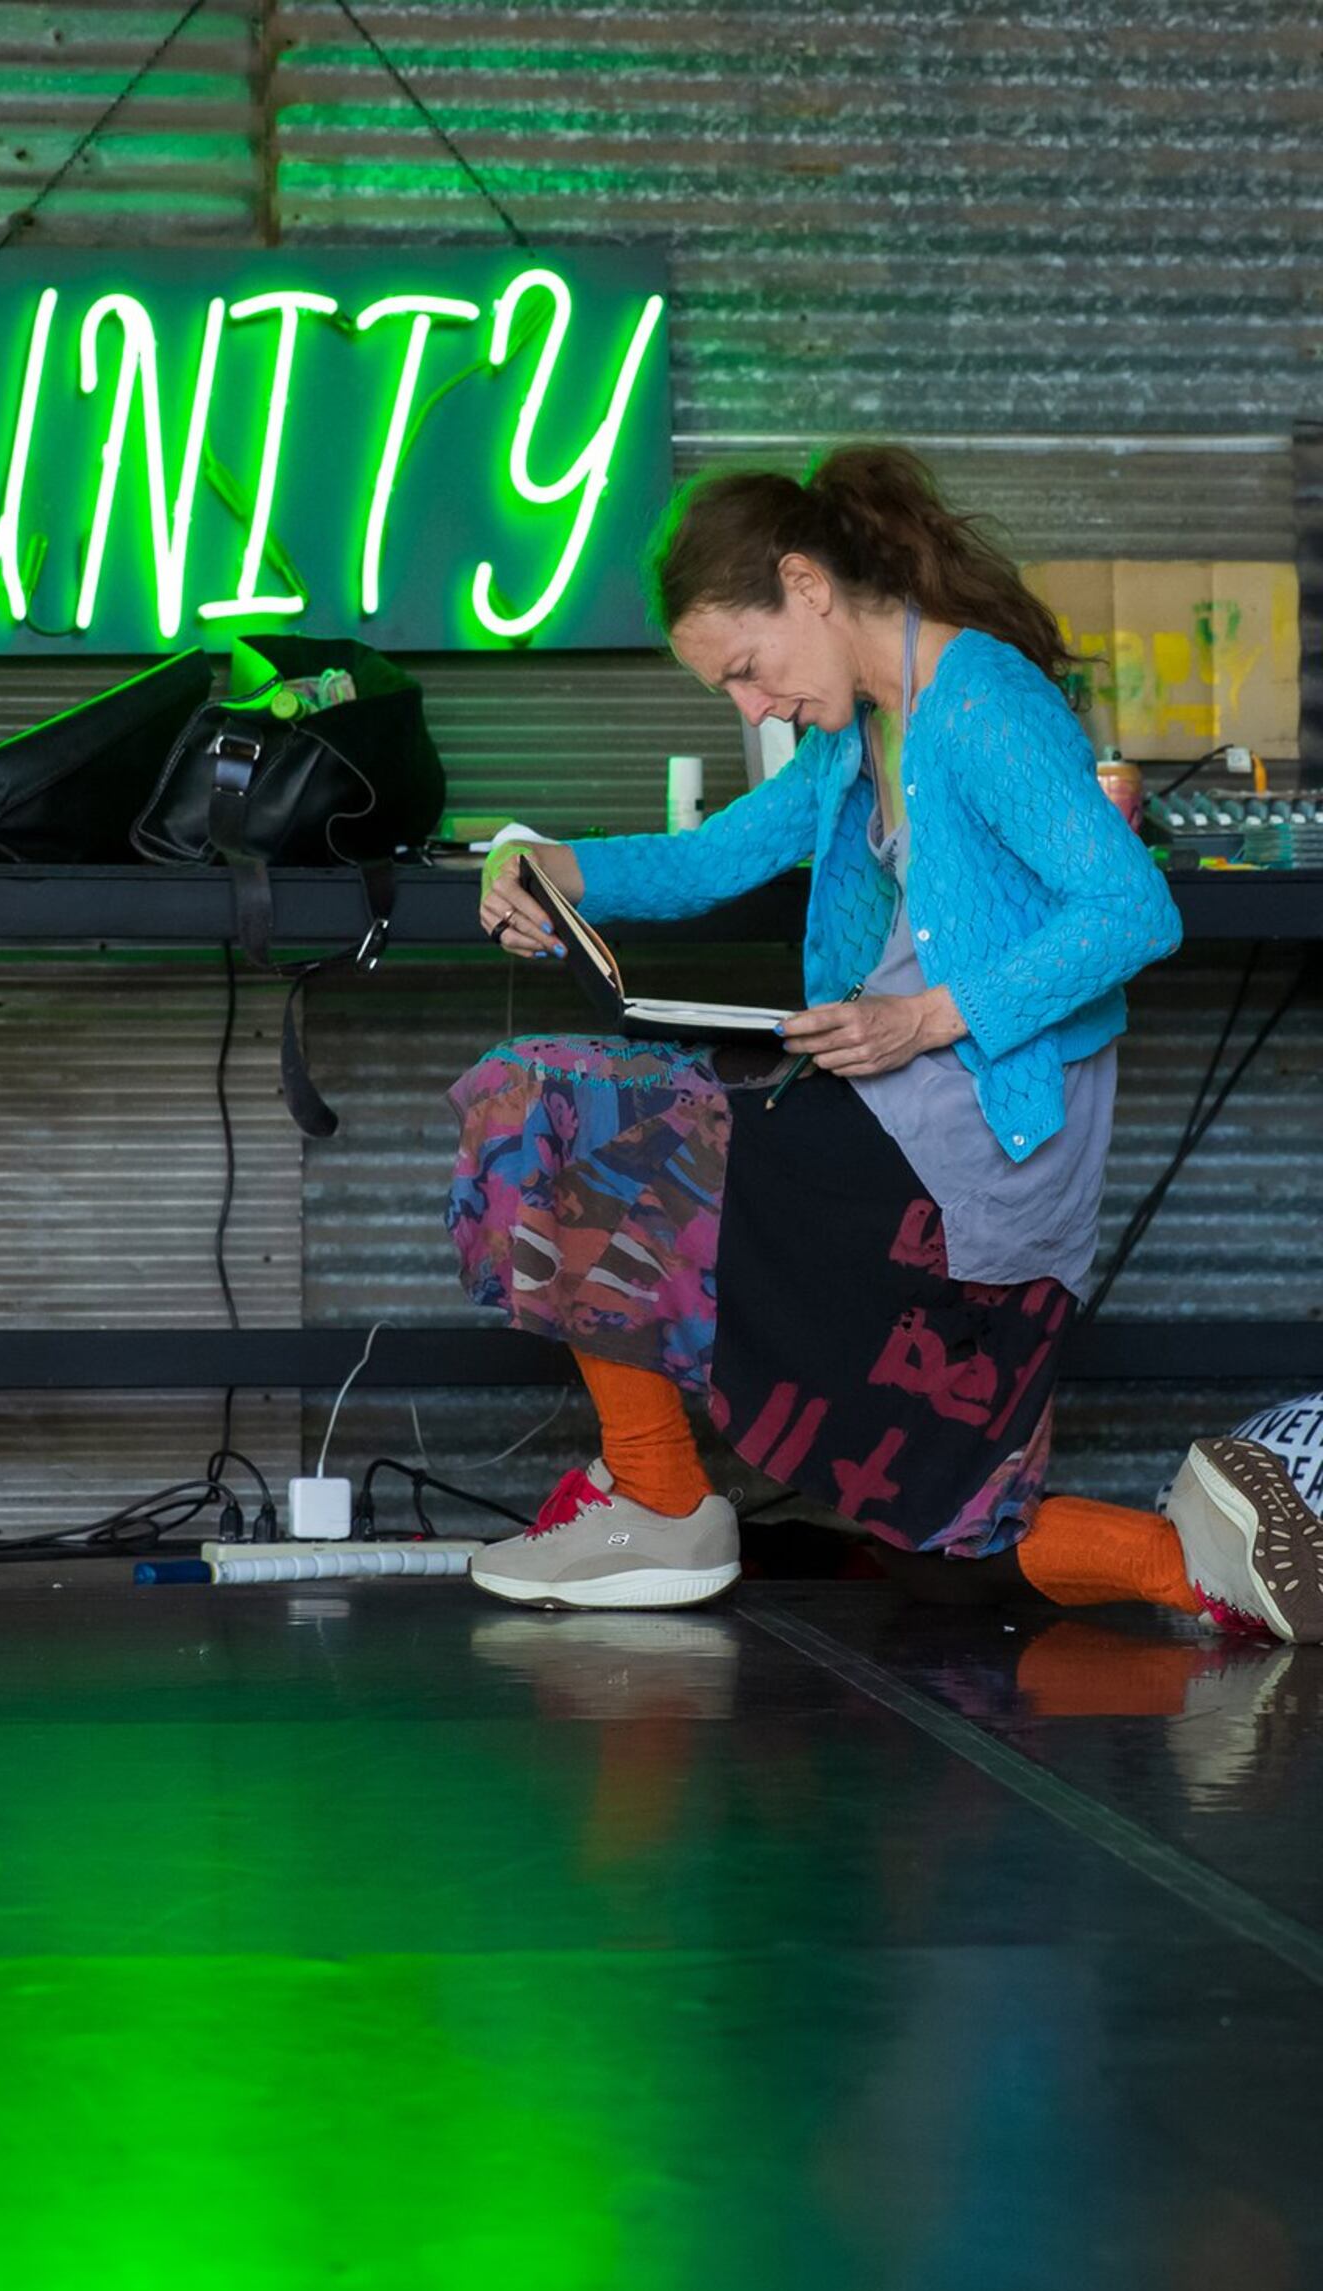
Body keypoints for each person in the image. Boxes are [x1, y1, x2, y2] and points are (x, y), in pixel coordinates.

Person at [446, 447, 1323, 1640]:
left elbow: (1132, 910)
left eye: (747, 671)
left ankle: (657, 1499)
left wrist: (920, 1016)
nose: (749, 708)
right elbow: (709, 861)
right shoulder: (859, 738)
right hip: (884, 1135)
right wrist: (545, 862)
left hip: (966, 1176)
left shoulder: (982, 704)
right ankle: (1215, 1581)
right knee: (950, 1550)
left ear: (807, 584)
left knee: (536, 1096)